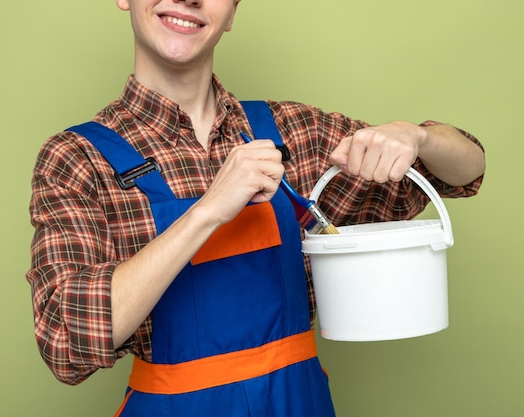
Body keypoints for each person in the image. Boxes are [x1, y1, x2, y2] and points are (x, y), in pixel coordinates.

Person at [26, 0, 486, 416]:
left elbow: (465, 169)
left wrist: (416, 135)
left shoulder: (294, 133)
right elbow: (67, 344)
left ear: (232, 13)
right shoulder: (79, 159)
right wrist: (207, 211)